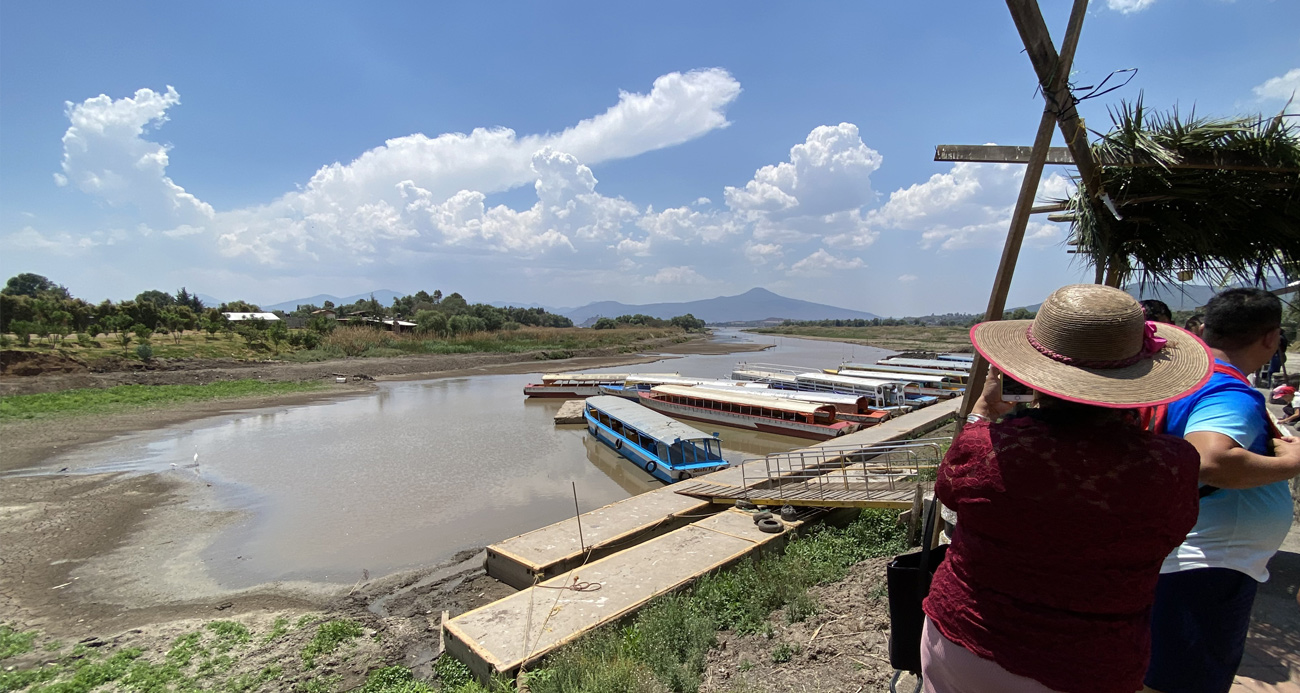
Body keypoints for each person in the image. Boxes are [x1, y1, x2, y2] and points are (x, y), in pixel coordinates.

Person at [922, 284, 1212, 693]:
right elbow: (1167, 535)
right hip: (1086, 665)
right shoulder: (1172, 466)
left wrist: (983, 412)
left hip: (962, 638)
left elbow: (950, 491)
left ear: (1030, 374)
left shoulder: (987, 447)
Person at [1145, 288, 1300, 693]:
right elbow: (1210, 461)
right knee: (1183, 681)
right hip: (1207, 561)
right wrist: (1294, 462)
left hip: (1189, 555)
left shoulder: (1184, 380)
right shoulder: (1226, 390)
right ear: (1271, 337)